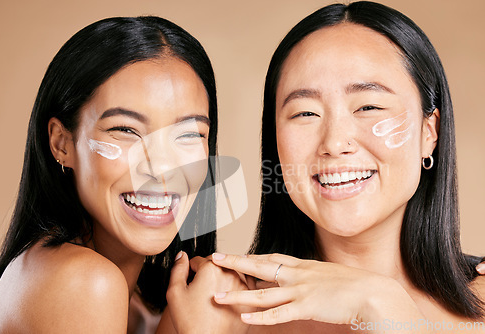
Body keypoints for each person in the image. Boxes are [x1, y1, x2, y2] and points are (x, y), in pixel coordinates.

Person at [208, 2, 485, 332]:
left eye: (368, 106)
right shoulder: (225, 312)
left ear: (429, 132)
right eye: (305, 113)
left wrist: (381, 303)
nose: (334, 143)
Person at [0, 16, 246, 333]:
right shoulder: (84, 283)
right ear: (61, 143)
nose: (162, 167)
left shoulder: (146, 300)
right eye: (126, 130)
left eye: (189, 135)